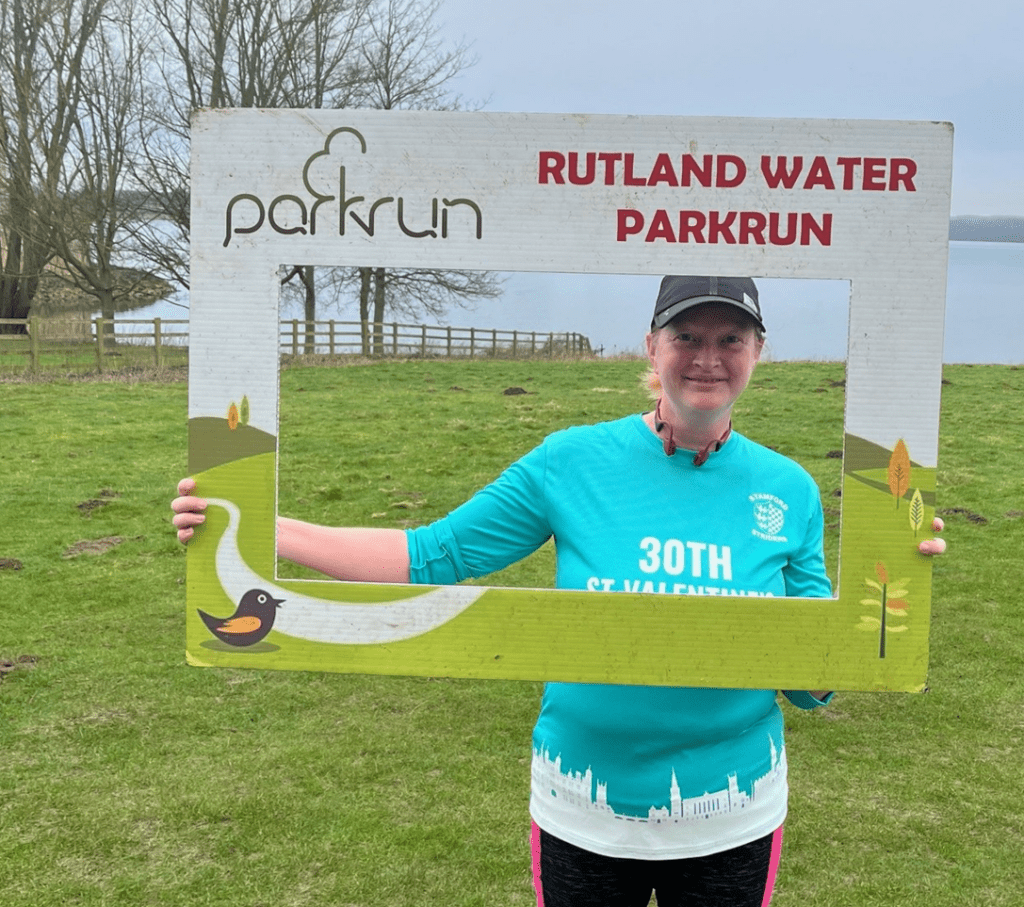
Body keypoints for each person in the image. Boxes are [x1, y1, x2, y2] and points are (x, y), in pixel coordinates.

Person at [173, 275, 946, 907]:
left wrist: (892, 593)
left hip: (730, 817)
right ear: (653, 346)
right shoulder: (570, 460)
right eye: (687, 337)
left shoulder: (789, 488)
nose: (707, 358)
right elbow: (432, 554)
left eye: (729, 339)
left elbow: (815, 684)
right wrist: (257, 527)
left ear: (757, 352)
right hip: (583, 812)